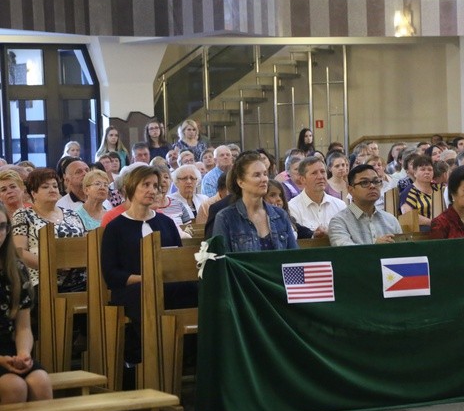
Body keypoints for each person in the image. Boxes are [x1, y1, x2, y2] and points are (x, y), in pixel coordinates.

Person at [101, 165, 197, 364]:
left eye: (155, 185)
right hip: (132, 288)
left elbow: (178, 261)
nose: (152, 190)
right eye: (146, 185)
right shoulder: (115, 228)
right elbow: (111, 274)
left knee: (197, 289)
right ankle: (152, 356)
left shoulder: (166, 223)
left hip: (166, 284)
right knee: (146, 293)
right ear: (131, 187)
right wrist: (146, 278)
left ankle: (188, 353)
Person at [0, 204, 52, 404]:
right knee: (13, 386)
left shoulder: (15, 268)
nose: (0, 233)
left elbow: (23, 327)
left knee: (40, 382)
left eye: (3, 226)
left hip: (9, 348)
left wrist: (23, 353)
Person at [12, 168, 86, 290]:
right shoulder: (23, 215)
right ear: (33, 193)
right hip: (42, 279)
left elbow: (84, 245)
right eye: (45, 187)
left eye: (55, 186)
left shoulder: (72, 214)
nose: (52, 189)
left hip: (79, 278)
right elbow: (20, 251)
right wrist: (53, 264)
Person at [212, 152, 298, 252]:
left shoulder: (280, 215)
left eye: (265, 174)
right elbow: (221, 261)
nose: (264, 179)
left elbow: (294, 257)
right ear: (241, 182)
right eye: (257, 175)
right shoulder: (225, 218)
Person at [328, 164, 402, 246]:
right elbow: (345, 252)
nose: (372, 186)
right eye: (365, 182)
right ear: (350, 190)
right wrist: (374, 246)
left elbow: (402, 254)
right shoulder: (339, 221)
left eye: (376, 181)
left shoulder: (391, 220)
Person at [288, 156, 346, 237]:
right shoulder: (292, 207)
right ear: (302, 179)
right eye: (314, 173)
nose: (320, 177)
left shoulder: (340, 206)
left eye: (322, 171)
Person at [399, 155, 443, 228]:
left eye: (430, 169)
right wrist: (433, 223)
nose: (427, 172)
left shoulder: (439, 188)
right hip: (422, 231)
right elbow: (408, 215)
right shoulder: (409, 192)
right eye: (422, 169)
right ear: (415, 173)